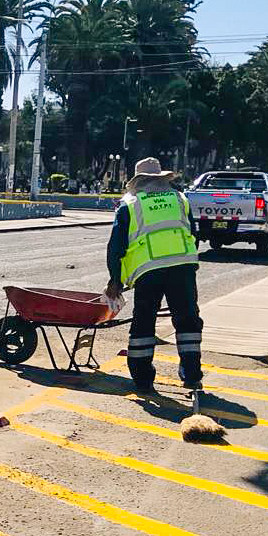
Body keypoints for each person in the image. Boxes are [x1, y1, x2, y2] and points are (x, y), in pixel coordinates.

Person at [104, 157, 203, 392]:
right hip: (183, 266)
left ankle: (142, 378)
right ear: (162, 179)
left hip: (149, 271)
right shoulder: (180, 199)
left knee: (144, 322)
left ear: (137, 181)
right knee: (188, 320)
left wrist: (115, 280)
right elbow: (193, 232)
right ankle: (191, 374)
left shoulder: (130, 204)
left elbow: (115, 246)